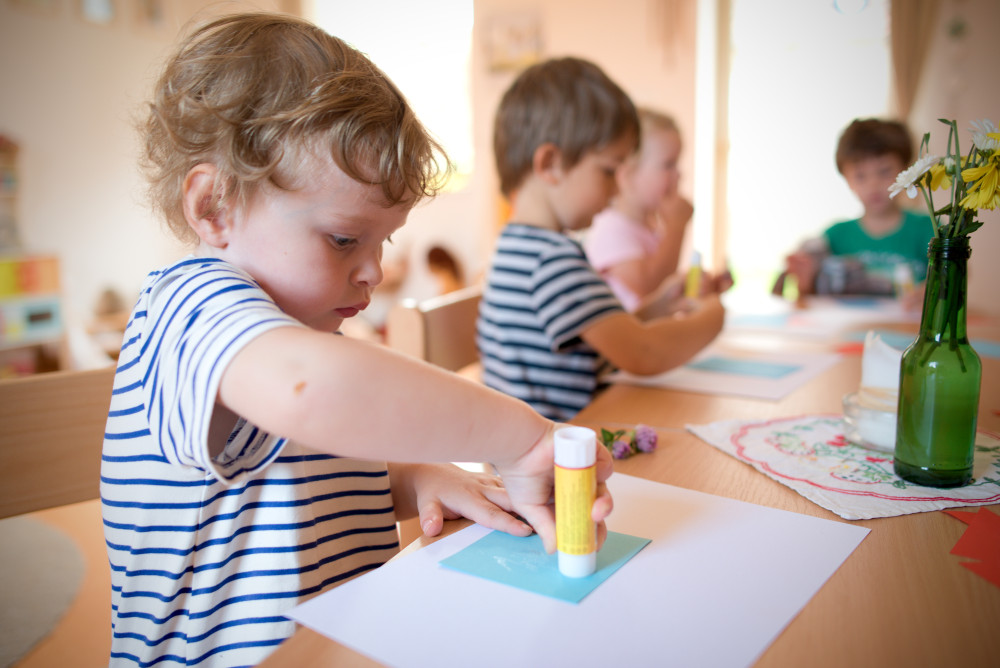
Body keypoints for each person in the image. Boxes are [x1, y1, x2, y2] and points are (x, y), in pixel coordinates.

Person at [101, 14, 613, 667]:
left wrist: (413, 479)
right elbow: (309, 390)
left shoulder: (289, 338)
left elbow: (295, 480)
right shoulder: (188, 307)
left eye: (383, 241)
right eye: (345, 239)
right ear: (214, 208)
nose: (372, 270)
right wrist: (522, 439)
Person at [477, 57, 726, 422]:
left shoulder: (517, 248)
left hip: (528, 453)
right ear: (549, 164)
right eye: (609, 171)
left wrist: (658, 305)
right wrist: (714, 315)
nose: (615, 190)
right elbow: (643, 353)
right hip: (562, 460)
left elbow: (604, 333)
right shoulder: (553, 260)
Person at [779, 118, 934, 301]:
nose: (873, 184)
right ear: (847, 179)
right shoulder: (835, 235)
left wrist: (929, 292)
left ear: (907, 170)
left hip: (910, 328)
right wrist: (805, 281)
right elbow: (810, 299)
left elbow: (953, 276)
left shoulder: (928, 229)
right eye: (860, 176)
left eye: (884, 171)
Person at [584, 108, 709, 312]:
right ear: (629, 175)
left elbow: (665, 290)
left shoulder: (650, 227)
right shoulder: (610, 228)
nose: (679, 174)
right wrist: (676, 227)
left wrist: (689, 287)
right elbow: (649, 289)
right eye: (668, 164)